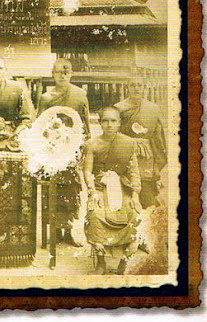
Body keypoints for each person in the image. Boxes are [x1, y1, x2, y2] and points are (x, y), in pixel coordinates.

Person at [37, 59, 90, 246]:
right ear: (53, 74)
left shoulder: (80, 95)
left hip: (72, 149)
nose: (62, 76)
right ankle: (54, 231)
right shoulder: (46, 97)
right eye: (59, 72)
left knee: (70, 190)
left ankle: (68, 231)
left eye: (66, 72)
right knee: (52, 188)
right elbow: (39, 125)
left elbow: (85, 124)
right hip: (52, 150)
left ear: (71, 74)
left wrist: (84, 147)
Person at [83, 106, 141, 275]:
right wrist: (93, 192)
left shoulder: (128, 143)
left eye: (113, 121)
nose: (109, 125)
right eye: (105, 121)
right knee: (96, 214)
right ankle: (101, 262)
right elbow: (87, 171)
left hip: (122, 188)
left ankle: (124, 260)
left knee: (132, 213)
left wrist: (135, 195)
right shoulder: (92, 144)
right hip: (100, 188)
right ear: (100, 123)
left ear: (119, 122)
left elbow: (134, 171)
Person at [115, 78, 167, 209]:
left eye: (140, 85)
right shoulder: (119, 108)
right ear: (127, 87)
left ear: (145, 88)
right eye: (133, 85)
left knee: (147, 192)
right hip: (125, 152)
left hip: (146, 155)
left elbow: (157, 138)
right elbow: (112, 134)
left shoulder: (153, 108)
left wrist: (158, 161)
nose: (136, 88)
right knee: (126, 188)